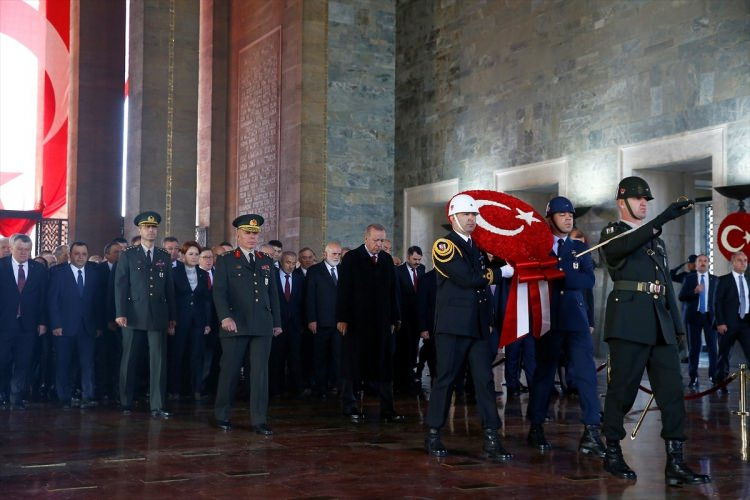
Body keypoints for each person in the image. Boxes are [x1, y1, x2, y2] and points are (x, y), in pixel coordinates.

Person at [599, 176, 710, 486]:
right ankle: (612, 453)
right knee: (622, 390)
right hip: (629, 321)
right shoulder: (612, 233)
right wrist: (666, 217)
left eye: (647, 199)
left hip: (659, 323)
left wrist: (678, 328)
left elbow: (664, 287)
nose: (644, 203)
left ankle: (675, 462)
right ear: (622, 203)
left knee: (672, 393)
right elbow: (621, 249)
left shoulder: (656, 242)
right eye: (638, 199)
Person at [423, 193, 511, 461]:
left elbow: (482, 270)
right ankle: (434, 433)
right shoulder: (444, 246)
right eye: (466, 215)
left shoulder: (477, 246)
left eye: (473, 215)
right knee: (446, 379)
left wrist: (503, 257)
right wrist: (499, 273)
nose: (471, 219)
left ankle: (492, 436)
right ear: (453, 218)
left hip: (478, 326)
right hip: (454, 326)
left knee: (484, 381)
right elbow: (468, 278)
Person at [526, 196, 604, 457]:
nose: (568, 218)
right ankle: (536, 426)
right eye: (562, 215)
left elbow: (588, 281)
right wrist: (566, 275)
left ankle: (592, 429)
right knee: (544, 374)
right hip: (549, 319)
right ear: (550, 219)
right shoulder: (540, 249)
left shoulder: (578, 248)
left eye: (570, 214)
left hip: (576, 321)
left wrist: (559, 274)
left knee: (586, 375)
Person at [213, 214, 281, 434]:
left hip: (262, 324)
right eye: (248, 233)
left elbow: (273, 295)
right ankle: (222, 415)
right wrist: (225, 317)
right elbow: (219, 293)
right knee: (230, 372)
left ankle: (259, 419)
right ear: (238, 234)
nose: (252, 237)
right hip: (235, 324)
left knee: (260, 374)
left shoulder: (265, 260)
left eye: (255, 233)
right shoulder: (226, 259)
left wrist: (276, 322)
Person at [336, 224, 403, 423]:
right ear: (366, 238)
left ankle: (388, 409)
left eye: (382, 240)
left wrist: (395, 317)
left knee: (384, 366)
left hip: (381, 323)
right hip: (356, 323)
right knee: (353, 366)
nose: (379, 244)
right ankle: (350, 407)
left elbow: (393, 291)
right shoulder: (352, 259)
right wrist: (342, 317)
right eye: (375, 240)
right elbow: (343, 290)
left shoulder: (386, 260)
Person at [114, 211, 176, 418]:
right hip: (132, 314)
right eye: (147, 227)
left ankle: (157, 404)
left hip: (158, 315)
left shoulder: (163, 256)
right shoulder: (128, 254)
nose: (151, 230)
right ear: (139, 230)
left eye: (154, 227)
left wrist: (172, 317)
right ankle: (125, 401)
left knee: (158, 362)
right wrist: (120, 312)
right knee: (129, 359)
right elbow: (121, 285)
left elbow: (169, 288)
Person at [47, 241, 105, 409]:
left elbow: (97, 303)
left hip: (87, 328)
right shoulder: (58, 273)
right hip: (64, 327)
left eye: (83, 254)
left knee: (87, 364)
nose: (80, 257)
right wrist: (56, 324)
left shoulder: (94, 274)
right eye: (77, 253)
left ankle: (88, 396)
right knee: (63, 364)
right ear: (70, 255)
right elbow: (52, 302)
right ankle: (63, 397)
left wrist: (99, 326)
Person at [0, 234, 47, 409]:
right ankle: (2, 394)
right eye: (20, 249)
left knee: (23, 361)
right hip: (4, 324)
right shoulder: (1, 266)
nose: (23, 253)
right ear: (11, 248)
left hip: (29, 325)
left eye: (27, 250)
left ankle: (16, 397)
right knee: (3, 360)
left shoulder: (38, 269)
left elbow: (43, 298)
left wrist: (42, 322)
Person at [169, 241, 212, 402]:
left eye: (196, 254)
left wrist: (207, 322)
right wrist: (171, 320)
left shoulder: (203, 274)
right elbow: (170, 298)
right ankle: (175, 389)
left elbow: (206, 300)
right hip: (179, 319)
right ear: (182, 255)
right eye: (191, 254)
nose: (194, 257)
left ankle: (196, 389)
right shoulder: (174, 273)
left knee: (197, 354)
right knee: (178, 354)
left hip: (198, 320)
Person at [306, 242, 342, 398]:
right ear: (325, 254)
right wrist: (311, 319)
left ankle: (338, 387)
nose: (337, 257)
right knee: (320, 357)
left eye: (339, 254)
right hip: (320, 322)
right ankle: (320, 388)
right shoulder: (314, 271)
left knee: (338, 356)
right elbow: (309, 297)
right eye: (334, 254)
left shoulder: (343, 270)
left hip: (340, 323)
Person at [678, 254, 718, 387]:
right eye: (700, 261)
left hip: (710, 318)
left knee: (713, 348)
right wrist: (694, 291)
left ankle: (713, 375)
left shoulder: (714, 280)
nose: (702, 263)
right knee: (694, 349)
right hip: (693, 317)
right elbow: (681, 296)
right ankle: (693, 377)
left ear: (708, 264)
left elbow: (719, 300)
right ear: (696, 264)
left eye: (705, 261)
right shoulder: (689, 279)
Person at [270, 251, 305, 398]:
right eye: (287, 262)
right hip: (277, 325)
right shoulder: (273, 278)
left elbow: (303, 303)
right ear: (281, 262)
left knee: (295, 357)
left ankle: (296, 388)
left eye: (293, 263)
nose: (290, 266)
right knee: (277, 358)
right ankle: (275, 389)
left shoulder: (299, 279)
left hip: (295, 326)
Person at [713, 251, 750, 392]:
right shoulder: (723, 280)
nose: (743, 263)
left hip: (745, 324)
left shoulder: (748, 280)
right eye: (740, 260)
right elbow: (717, 302)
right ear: (733, 263)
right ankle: (721, 383)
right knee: (724, 355)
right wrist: (720, 322)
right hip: (727, 324)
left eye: (745, 260)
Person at [394, 246, 425, 394]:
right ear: (408, 257)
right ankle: (402, 379)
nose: (417, 262)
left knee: (414, 348)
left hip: (417, 318)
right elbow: (397, 297)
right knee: (402, 348)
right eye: (414, 259)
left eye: (419, 259)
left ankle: (411, 376)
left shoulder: (422, 270)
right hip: (403, 318)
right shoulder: (398, 272)